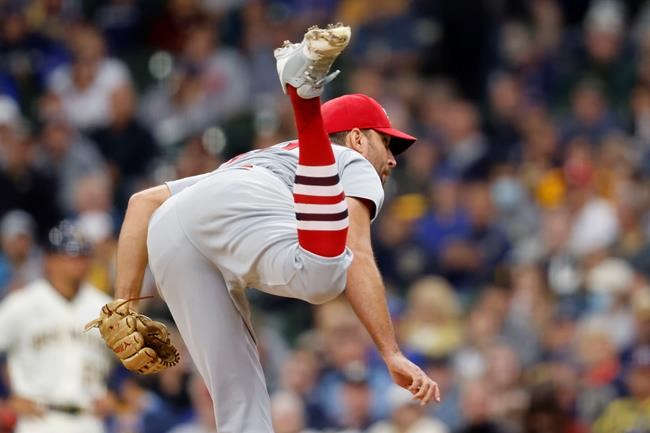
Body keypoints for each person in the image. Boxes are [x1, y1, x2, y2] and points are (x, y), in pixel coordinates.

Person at [105, 24, 440, 433]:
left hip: (176, 225)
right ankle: (305, 98)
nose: (392, 159)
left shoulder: (261, 156)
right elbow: (359, 254)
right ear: (356, 137)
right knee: (325, 277)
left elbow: (142, 203)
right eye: (387, 143)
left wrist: (123, 307)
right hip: (245, 203)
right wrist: (390, 353)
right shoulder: (352, 161)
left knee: (240, 404)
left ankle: (304, 93)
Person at [0, 221, 114, 433]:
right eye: (71, 256)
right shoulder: (22, 304)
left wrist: (116, 393)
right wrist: (4, 398)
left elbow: (130, 362)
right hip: (38, 420)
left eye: (84, 255)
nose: (80, 263)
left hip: (90, 420)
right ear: (49, 259)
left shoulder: (105, 308)